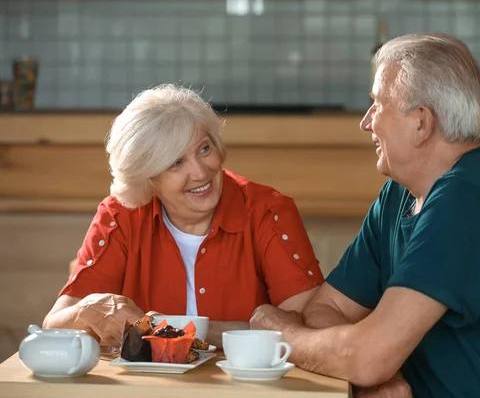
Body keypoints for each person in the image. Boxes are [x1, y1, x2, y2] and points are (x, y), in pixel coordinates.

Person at [250, 33, 480, 398]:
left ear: (421, 122)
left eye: (377, 104)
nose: (366, 122)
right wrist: (383, 373)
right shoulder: (399, 195)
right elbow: (329, 306)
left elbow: (367, 355)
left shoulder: (470, 199)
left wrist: (279, 335)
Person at [43, 84, 324, 348]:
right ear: (148, 177)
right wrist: (88, 311)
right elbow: (53, 326)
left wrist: (193, 332)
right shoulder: (120, 216)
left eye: (204, 149)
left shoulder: (267, 211)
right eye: (176, 162)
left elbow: (310, 331)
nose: (201, 173)